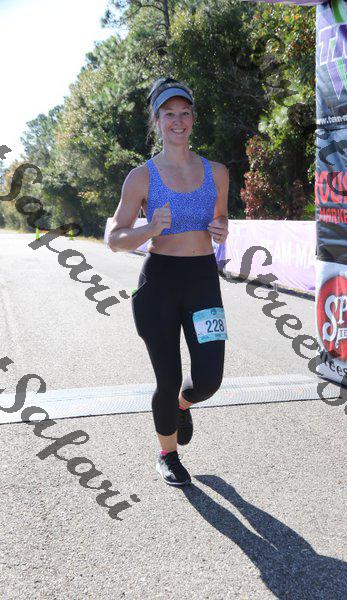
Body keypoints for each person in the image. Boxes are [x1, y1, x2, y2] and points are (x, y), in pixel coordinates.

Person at [108, 76, 229, 487]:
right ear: (157, 122)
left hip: (202, 281)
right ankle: (168, 455)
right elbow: (114, 238)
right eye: (169, 114)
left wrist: (221, 228)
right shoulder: (141, 177)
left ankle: (182, 406)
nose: (178, 121)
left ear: (193, 118)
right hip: (158, 283)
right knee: (168, 377)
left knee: (209, 379)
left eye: (184, 113)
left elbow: (221, 219)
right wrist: (148, 229)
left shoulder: (217, 172)